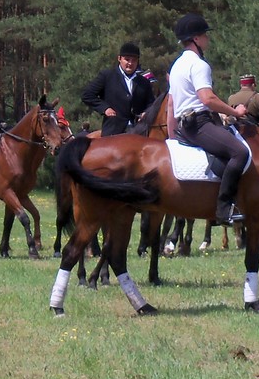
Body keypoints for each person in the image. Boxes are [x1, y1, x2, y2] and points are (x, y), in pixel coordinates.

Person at [168, 13, 249, 225]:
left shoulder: (176, 66)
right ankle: (224, 209)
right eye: (205, 35)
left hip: (184, 125)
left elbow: (171, 104)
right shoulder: (199, 65)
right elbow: (207, 98)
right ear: (196, 38)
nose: (207, 39)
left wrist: (171, 134)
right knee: (240, 152)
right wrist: (236, 113)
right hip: (199, 124)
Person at [81, 41, 155, 136]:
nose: (130, 63)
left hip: (138, 131)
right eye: (127, 59)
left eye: (134, 60)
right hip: (113, 131)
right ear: (119, 58)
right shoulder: (107, 76)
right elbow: (87, 95)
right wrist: (105, 108)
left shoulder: (144, 82)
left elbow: (151, 103)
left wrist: (146, 113)